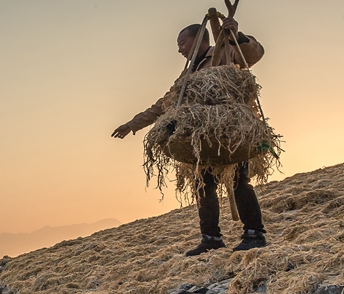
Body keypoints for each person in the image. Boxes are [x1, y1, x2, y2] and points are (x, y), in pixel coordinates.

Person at [111, 15, 268, 256]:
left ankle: (254, 233)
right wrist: (132, 124)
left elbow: (253, 55)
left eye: (182, 43)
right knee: (202, 184)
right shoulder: (188, 74)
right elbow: (165, 103)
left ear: (198, 40)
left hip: (230, 130)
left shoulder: (224, 53)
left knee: (238, 180)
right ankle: (211, 237)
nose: (180, 49)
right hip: (203, 136)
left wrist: (237, 36)